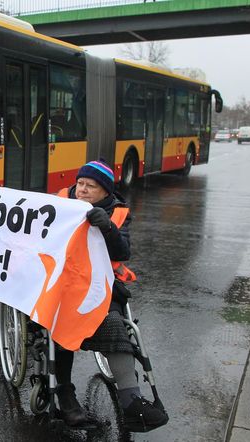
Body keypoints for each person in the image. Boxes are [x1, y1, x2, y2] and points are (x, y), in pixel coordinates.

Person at [53, 159, 169, 432]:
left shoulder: (117, 213)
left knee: (116, 323)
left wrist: (107, 228)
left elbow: (122, 252)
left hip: (99, 285)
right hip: (61, 284)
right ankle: (65, 394)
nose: (81, 190)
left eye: (90, 186)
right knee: (60, 319)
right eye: (79, 183)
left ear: (105, 191)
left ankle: (131, 402)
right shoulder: (60, 203)